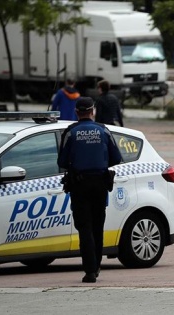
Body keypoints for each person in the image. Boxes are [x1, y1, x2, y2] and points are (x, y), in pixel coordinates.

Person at [57, 97, 122, 283]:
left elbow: (61, 162)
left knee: (84, 227)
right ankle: (97, 265)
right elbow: (116, 158)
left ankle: (90, 270)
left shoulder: (71, 132)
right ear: (92, 111)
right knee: (97, 226)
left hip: (79, 184)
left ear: (77, 112)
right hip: (100, 183)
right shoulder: (103, 130)